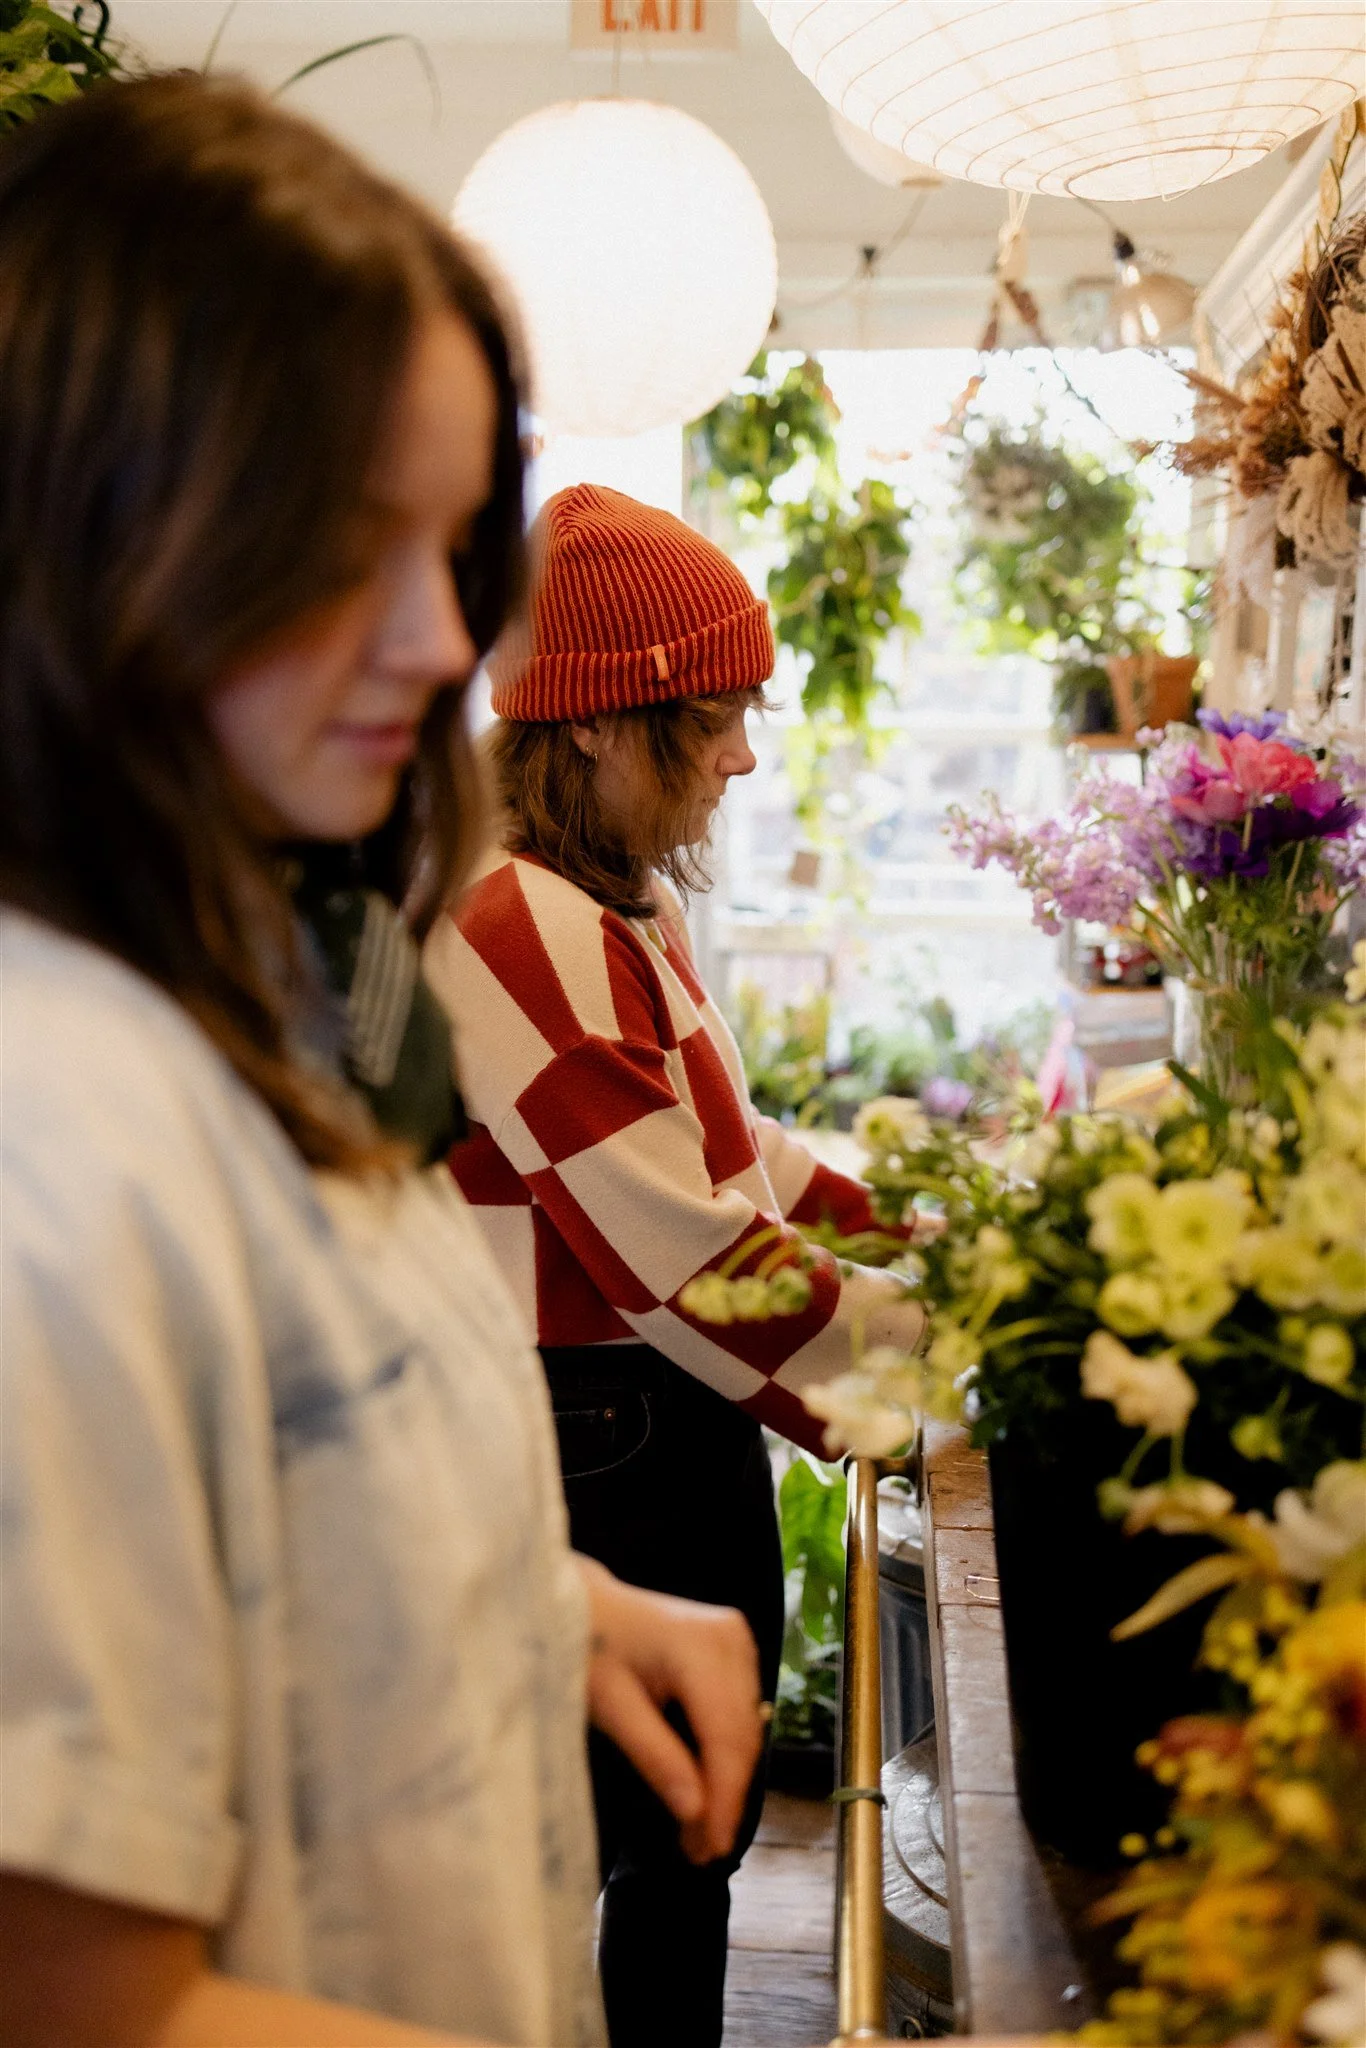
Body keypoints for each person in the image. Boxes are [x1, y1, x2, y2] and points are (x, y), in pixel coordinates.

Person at [0, 80, 766, 2048]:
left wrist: (543, 1605)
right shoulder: (49, 1133)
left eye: (452, 552)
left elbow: (276, 1455)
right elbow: (74, 1993)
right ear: (96, 522)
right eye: (352, 548)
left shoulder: (302, 949)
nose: (441, 643)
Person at [424, 484, 928, 2048]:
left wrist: (915, 1244)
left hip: (643, 1424)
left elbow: (732, 1158)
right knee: (645, 1844)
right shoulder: (520, 923)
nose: (742, 755)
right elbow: (680, 1258)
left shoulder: (608, 902)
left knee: (677, 1849)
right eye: (713, 719)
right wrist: (914, 1368)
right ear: (592, 726)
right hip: (601, 1436)